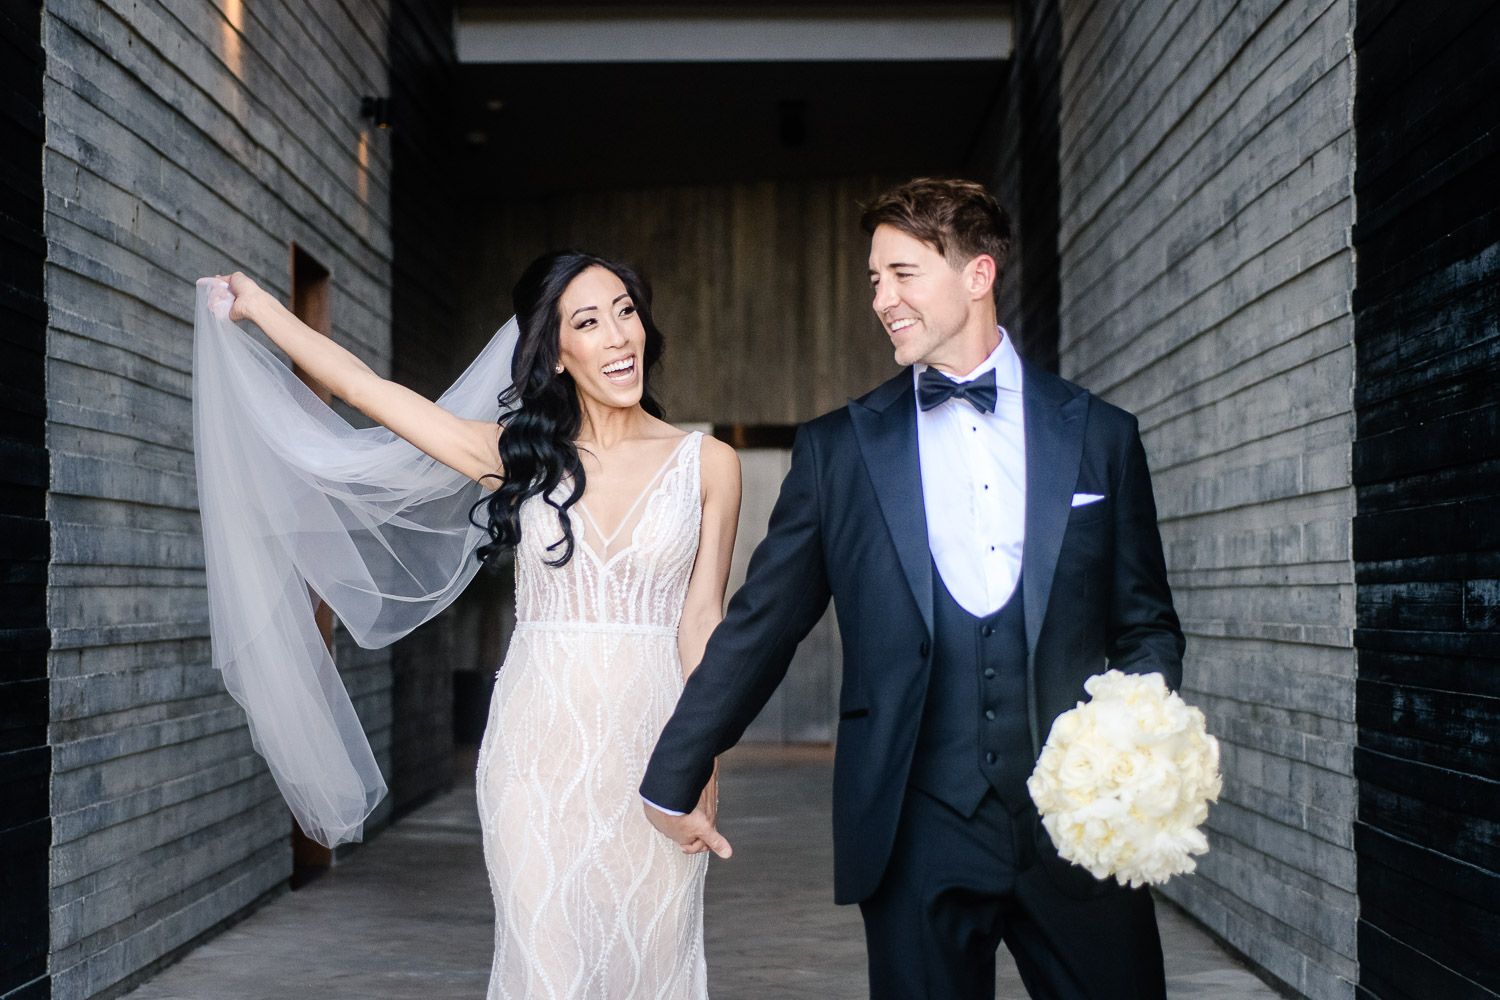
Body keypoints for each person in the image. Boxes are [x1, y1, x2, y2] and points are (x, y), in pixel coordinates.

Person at [639, 178, 1184, 1000]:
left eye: (902, 274)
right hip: (914, 827)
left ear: (977, 274)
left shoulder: (1102, 435)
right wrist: (674, 770)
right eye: (873, 281)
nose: (882, 299)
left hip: (1081, 833)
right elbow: (763, 624)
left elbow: (1147, 626)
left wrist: (1126, 750)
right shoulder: (838, 451)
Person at [201, 250, 741, 1000]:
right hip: (533, 753)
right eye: (589, 321)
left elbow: (703, 622)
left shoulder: (708, 463)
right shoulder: (516, 459)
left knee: (650, 965)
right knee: (548, 974)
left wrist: (702, 763)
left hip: (654, 749)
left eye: (626, 311)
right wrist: (261, 308)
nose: (619, 336)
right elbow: (369, 391)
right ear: (557, 352)